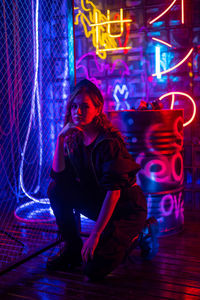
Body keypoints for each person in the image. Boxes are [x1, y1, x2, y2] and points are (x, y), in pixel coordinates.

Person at [47, 79, 147, 281]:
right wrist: (59, 139)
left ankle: (140, 234)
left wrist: (95, 235)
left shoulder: (108, 143)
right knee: (56, 189)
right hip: (99, 202)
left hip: (125, 210)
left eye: (85, 106)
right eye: (74, 106)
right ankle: (72, 248)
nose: (78, 111)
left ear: (98, 108)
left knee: (93, 268)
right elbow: (59, 177)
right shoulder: (74, 138)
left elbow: (114, 193)